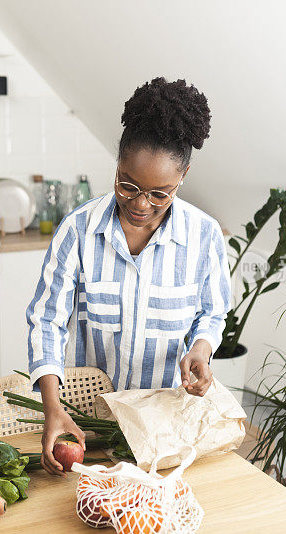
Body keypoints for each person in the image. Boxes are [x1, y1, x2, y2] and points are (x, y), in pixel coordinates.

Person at [27, 77, 232, 475]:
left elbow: (213, 314)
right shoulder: (78, 230)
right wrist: (52, 408)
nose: (140, 204)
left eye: (160, 194)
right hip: (93, 422)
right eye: (128, 185)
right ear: (116, 162)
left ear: (183, 175)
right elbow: (46, 321)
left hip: (168, 426)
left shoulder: (204, 236)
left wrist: (201, 350)